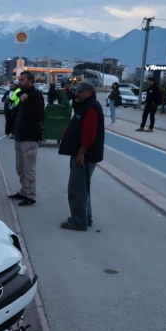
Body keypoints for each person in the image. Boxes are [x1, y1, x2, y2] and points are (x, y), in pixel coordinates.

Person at [58, 82, 105, 231]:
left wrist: (81, 153)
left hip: (84, 155)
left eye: (81, 92)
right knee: (83, 187)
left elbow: (89, 135)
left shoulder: (91, 108)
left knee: (77, 189)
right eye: (76, 91)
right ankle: (86, 217)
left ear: (90, 93)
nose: (77, 94)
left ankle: (78, 221)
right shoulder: (85, 106)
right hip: (84, 154)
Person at [7, 71, 45, 207]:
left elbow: (39, 115)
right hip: (19, 136)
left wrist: (26, 101)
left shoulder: (35, 95)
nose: (19, 82)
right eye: (19, 79)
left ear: (30, 81)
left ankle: (31, 196)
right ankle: (23, 191)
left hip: (29, 137)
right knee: (20, 168)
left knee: (29, 169)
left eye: (22, 79)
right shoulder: (22, 94)